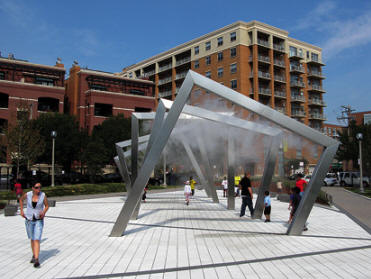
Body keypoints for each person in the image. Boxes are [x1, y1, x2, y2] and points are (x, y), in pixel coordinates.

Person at [20, 182, 49, 268]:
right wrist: (21, 211)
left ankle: (36, 259)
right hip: (29, 220)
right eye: (36, 188)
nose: (38, 189)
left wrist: (43, 212)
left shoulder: (43, 195)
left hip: (39, 220)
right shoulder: (28, 194)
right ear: (32, 188)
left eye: (40, 187)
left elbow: (47, 205)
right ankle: (34, 254)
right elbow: (21, 200)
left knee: (37, 239)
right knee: (32, 239)